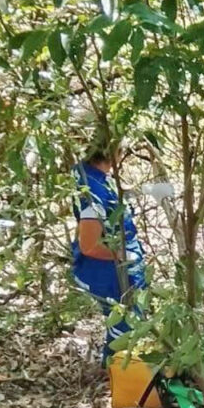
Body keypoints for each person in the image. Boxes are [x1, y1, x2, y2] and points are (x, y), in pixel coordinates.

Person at [71, 145, 146, 365]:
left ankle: (120, 371)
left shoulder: (89, 175)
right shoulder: (93, 193)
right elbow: (89, 246)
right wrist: (122, 255)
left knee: (125, 323)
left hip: (116, 267)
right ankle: (119, 377)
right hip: (108, 272)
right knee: (124, 324)